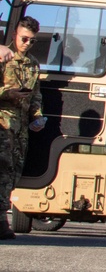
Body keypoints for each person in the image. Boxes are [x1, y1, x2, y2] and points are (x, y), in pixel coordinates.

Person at [0, 16, 46, 240]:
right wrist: (7, 94)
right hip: (2, 123)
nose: (27, 43)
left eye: (32, 41)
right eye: (24, 39)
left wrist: (37, 117)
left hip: (21, 129)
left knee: (12, 174)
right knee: (1, 170)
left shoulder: (33, 65)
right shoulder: (2, 57)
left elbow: (36, 95)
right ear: (14, 36)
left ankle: (0, 220)